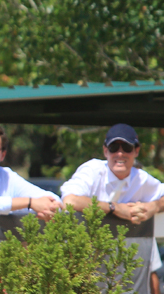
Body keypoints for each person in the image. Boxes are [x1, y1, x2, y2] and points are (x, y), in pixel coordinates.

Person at [61, 123, 163, 293]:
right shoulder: (92, 170)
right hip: (84, 265)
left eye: (127, 147)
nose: (120, 153)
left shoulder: (141, 179)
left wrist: (155, 206)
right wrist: (114, 208)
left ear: (136, 151)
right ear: (105, 151)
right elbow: (70, 201)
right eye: (114, 147)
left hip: (124, 267)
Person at [0, 123, 60, 220]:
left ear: (3, 155)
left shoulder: (6, 176)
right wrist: (29, 203)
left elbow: (53, 199)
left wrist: (50, 208)